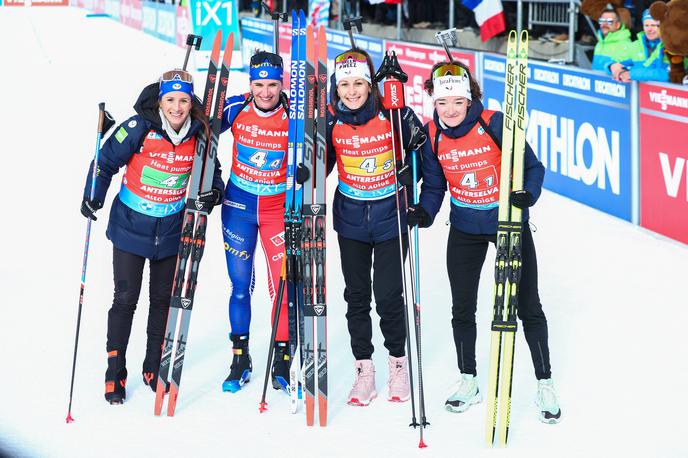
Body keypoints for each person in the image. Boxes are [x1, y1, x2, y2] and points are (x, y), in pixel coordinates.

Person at [406, 61, 562, 423]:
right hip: (464, 226)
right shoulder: (433, 135)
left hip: (506, 221)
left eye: (457, 102)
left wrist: (528, 193)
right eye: (443, 103)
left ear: (469, 97)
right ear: (433, 101)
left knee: (527, 304)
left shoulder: (493, 123)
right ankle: (468, 379)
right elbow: (434, 185)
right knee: (462, 307)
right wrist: (425, 213)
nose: (450, 110)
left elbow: (533, 167)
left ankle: (545, 381)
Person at [80, 69, 225, 404]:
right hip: (131, 227)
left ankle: (152, 363)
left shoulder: (200, 134)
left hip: (172, 230)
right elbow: (104, 162)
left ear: (192, 103)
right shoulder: (138, 127)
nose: (177, 107)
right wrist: (93, 195)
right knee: (126, 299)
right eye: (170, 100)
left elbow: (212, 173)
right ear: (160, 100)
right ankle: (114, 371)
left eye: (183, 100)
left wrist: (213, 195)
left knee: (163, 301)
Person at [326, 49, 425, 406]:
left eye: (358, 83)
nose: (351, 91)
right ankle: (363, 370)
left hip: (390, 217)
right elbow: (319, 164)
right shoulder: (331, 118)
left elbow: (423, 153)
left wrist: (410, 176)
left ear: (370, 85)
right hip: (350, 219)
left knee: (387, 296)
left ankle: (398, 366)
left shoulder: (394, 114)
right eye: (344, 84)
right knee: (356, 296)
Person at [219, 51, 292, 393]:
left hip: (278, 208)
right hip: (238, 205)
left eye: (272, 84)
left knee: (281, 285)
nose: (265, 92)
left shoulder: (296, 114)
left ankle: (282, 357)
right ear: (250, 83)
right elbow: (189, 127)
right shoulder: (235, 108)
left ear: (282, 84)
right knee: (239, 285)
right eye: (259, 84)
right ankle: (240, 357)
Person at [610, 9, 669, 82]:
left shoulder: (672, 47)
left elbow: (668, 75)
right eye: (646, 25)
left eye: (653, 25)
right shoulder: (636, 45)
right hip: (639, 92)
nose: (649, 29)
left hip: (663, 92)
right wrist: (616, 70)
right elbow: (614, 62)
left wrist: (632, 74)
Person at [591, 5, 634, 73]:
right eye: (601, 21)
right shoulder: (599, 43)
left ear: (617, 25)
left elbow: (625, 71)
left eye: (609, 21)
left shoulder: (626, 45)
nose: (604, 24)